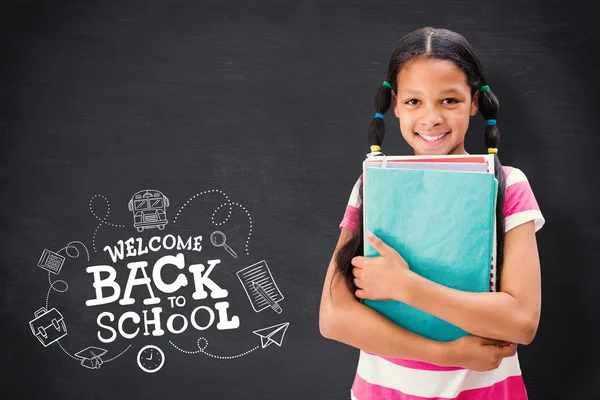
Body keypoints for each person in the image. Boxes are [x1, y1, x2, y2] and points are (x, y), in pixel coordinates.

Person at [319, 27, 545, 400]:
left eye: (450, 101)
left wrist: (406, 286)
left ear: (475, 102)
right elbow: (333, 318)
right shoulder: (372, 184)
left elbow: (521, 323)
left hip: (485, 391)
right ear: (395, 104)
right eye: (413, 102)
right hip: (383, 392)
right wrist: (446, 353)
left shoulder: (507, 184)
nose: (431, 118)